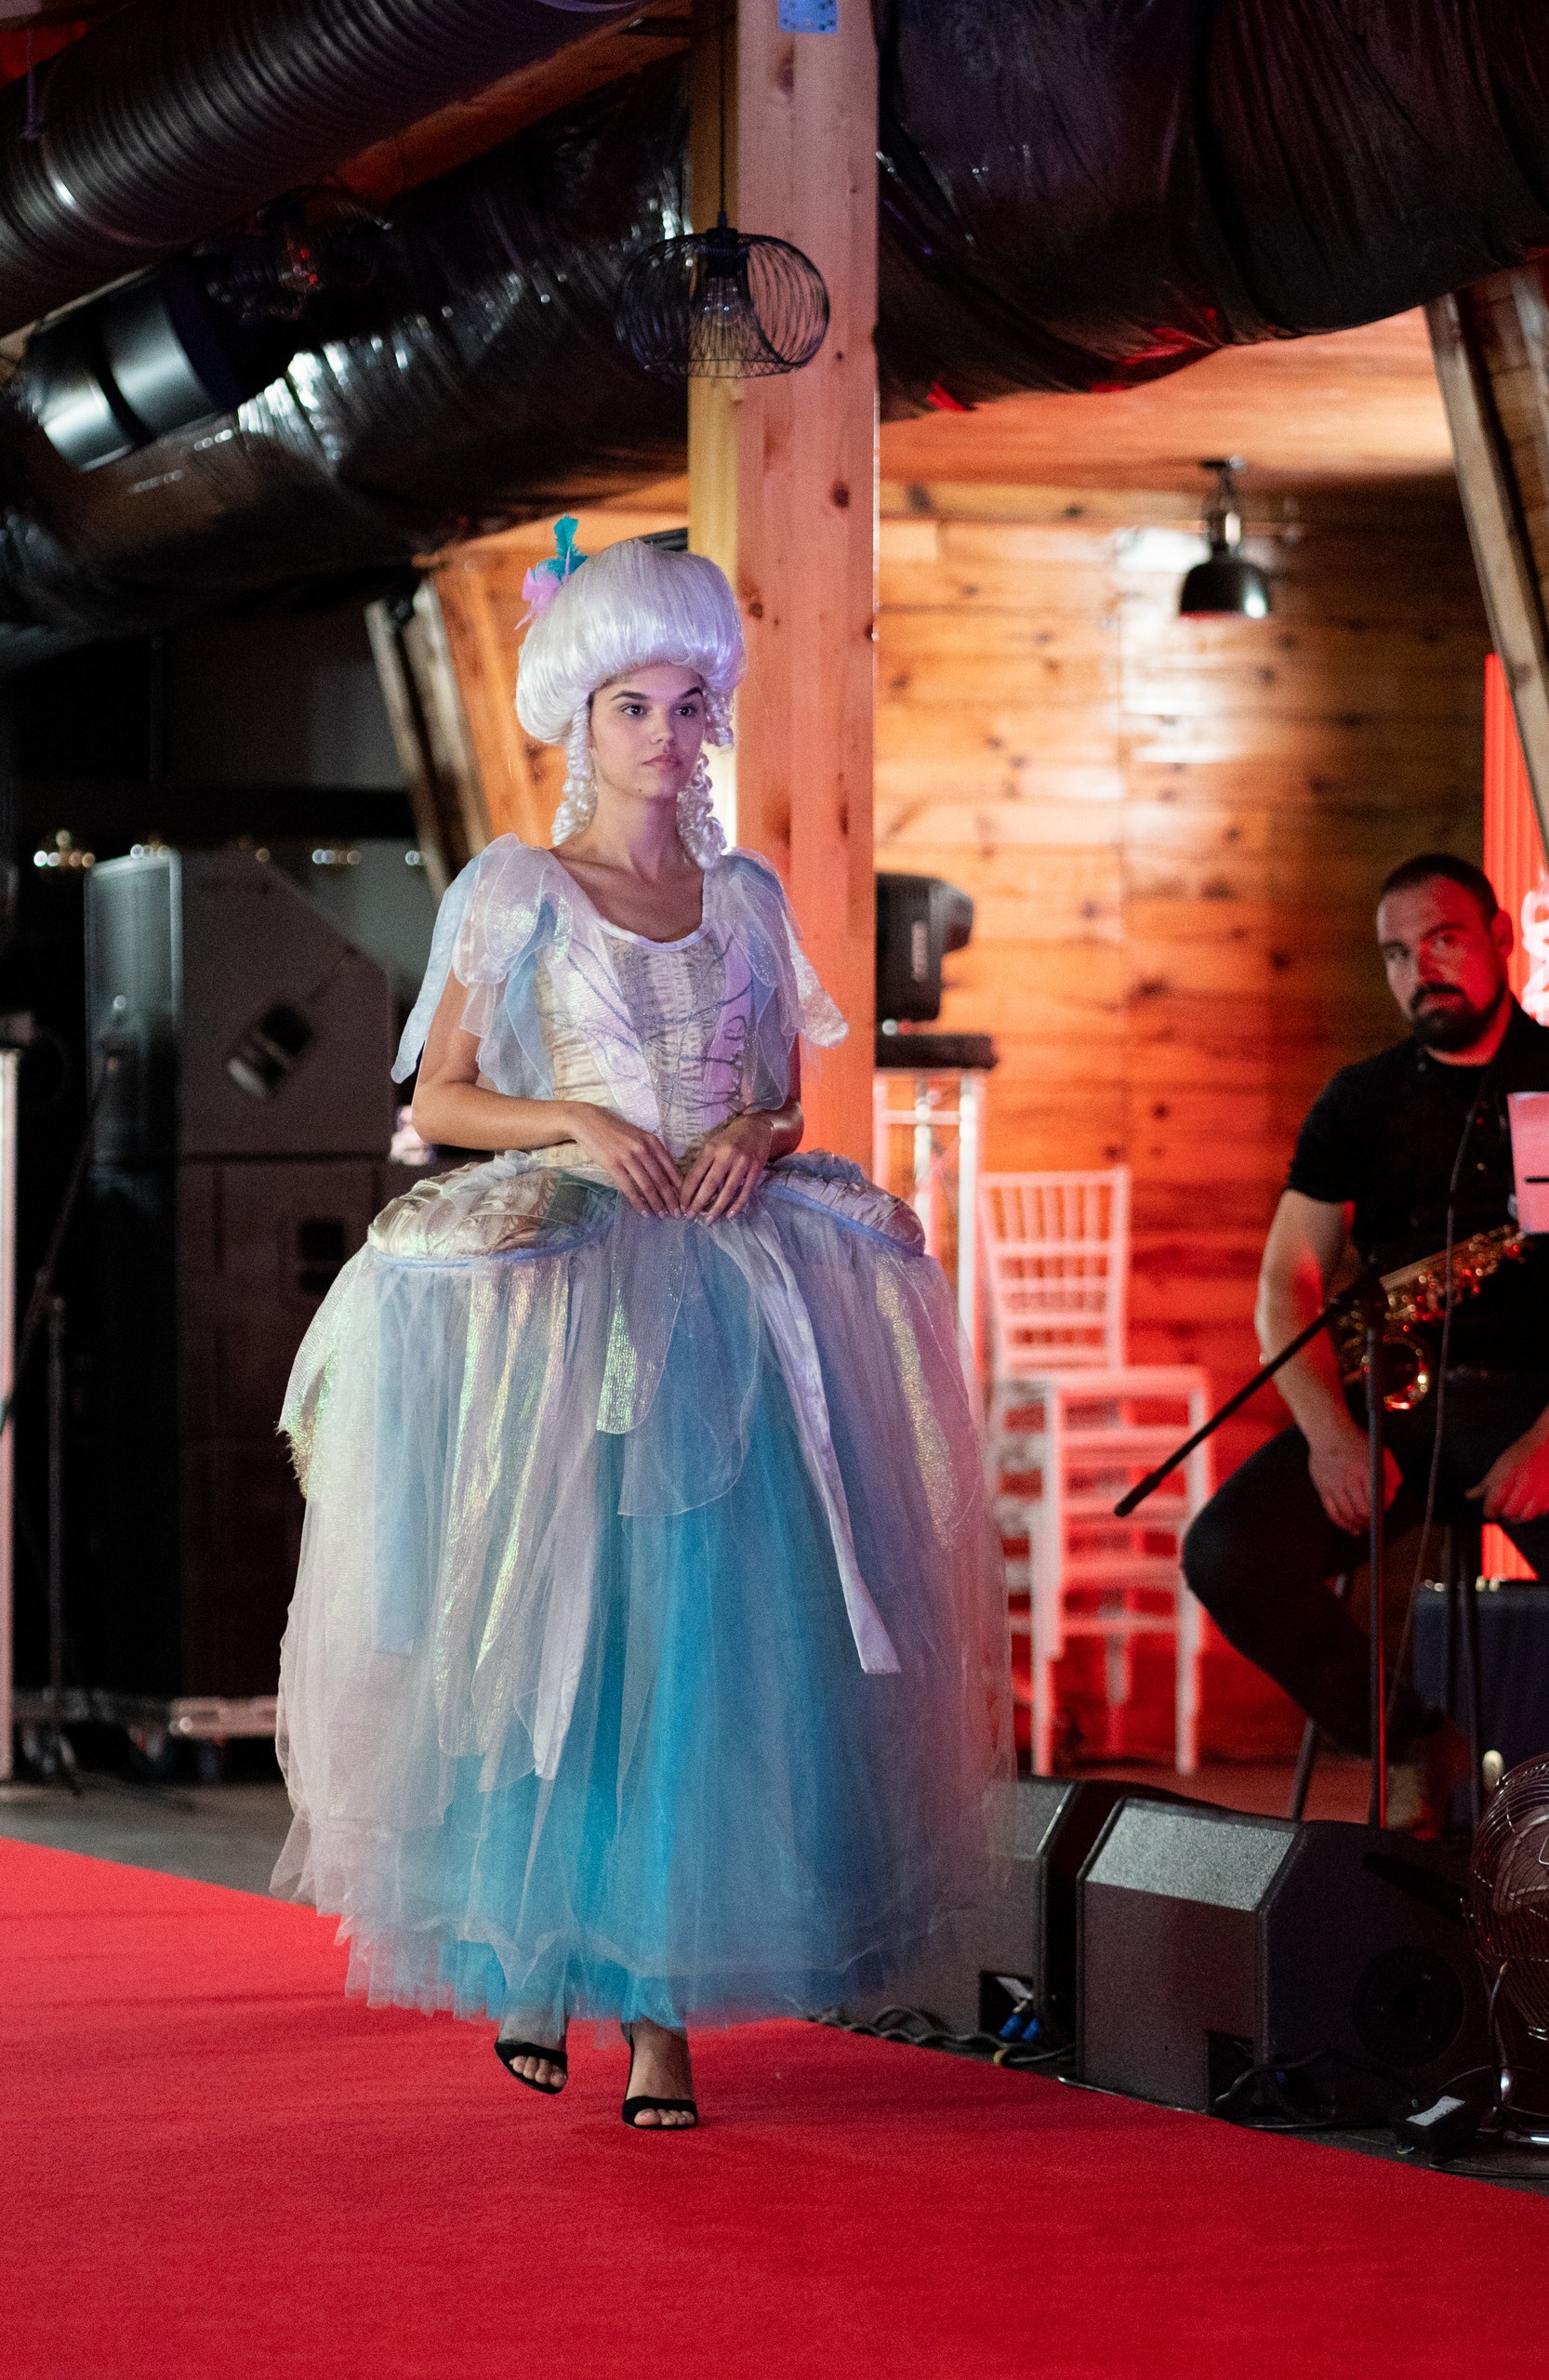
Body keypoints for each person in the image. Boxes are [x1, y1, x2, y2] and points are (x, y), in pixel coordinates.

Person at [272, 527, 1010, 2127]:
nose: (668, 737)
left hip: (734, 1296)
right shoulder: (520, 889)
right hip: (578, 1297)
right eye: (633, 708)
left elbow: (780, 1092)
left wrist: (759, 1132)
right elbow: (440, 1099)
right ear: (580, 718)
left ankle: (658, 2017)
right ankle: (542, 1948)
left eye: (688, 705)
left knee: (707, 1652)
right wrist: (571, 1123)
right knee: (571, 1630)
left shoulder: (744, 896)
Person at [1183, 853, 1549, 1831]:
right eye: (1396, 954)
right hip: (1398, 1410)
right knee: (1227, 1554)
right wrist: (1329, 1434)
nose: (1419, 969)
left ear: (1499, 938)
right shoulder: (1359, 1100)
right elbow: (1287, 1283)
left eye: (1442, 940)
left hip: (1547, 1405)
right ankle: (1409, 1739)